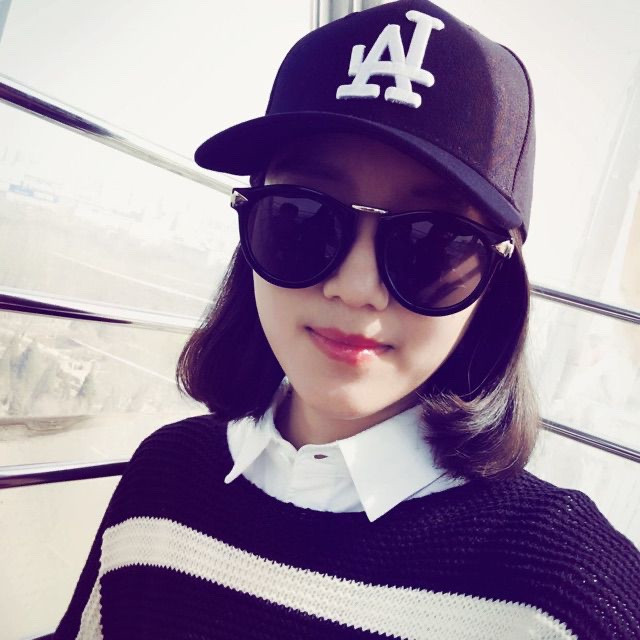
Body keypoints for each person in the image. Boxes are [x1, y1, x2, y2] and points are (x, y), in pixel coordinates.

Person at [54, 1, 640, 638]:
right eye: (302, 216)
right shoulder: (164, 477)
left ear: (496, 284)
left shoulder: (567, 595)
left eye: (435, 243)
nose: (356, 289)